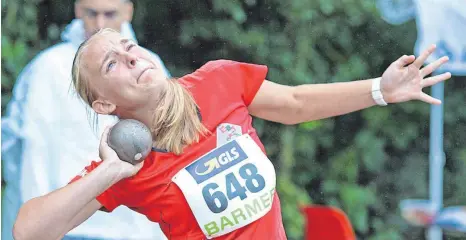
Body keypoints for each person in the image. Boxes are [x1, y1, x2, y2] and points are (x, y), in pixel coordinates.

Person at [12, 28, 452, 240]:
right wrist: (108, 173)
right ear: (104, 105)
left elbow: (296, 104)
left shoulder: (217, 82)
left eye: (128, 49)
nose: (131, 59)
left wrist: (380, 90)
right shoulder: (127, 165)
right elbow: (29, 232)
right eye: (111, 65)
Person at [1, 1, 169, 240]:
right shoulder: (47, 68)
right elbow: (28, 155)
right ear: (78, 11)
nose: (100, 24)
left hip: (133, 227)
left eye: (109, 14)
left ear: (128, 12)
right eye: (92, 14)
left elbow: (169, 146)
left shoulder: (147, 64)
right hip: (68, 226)